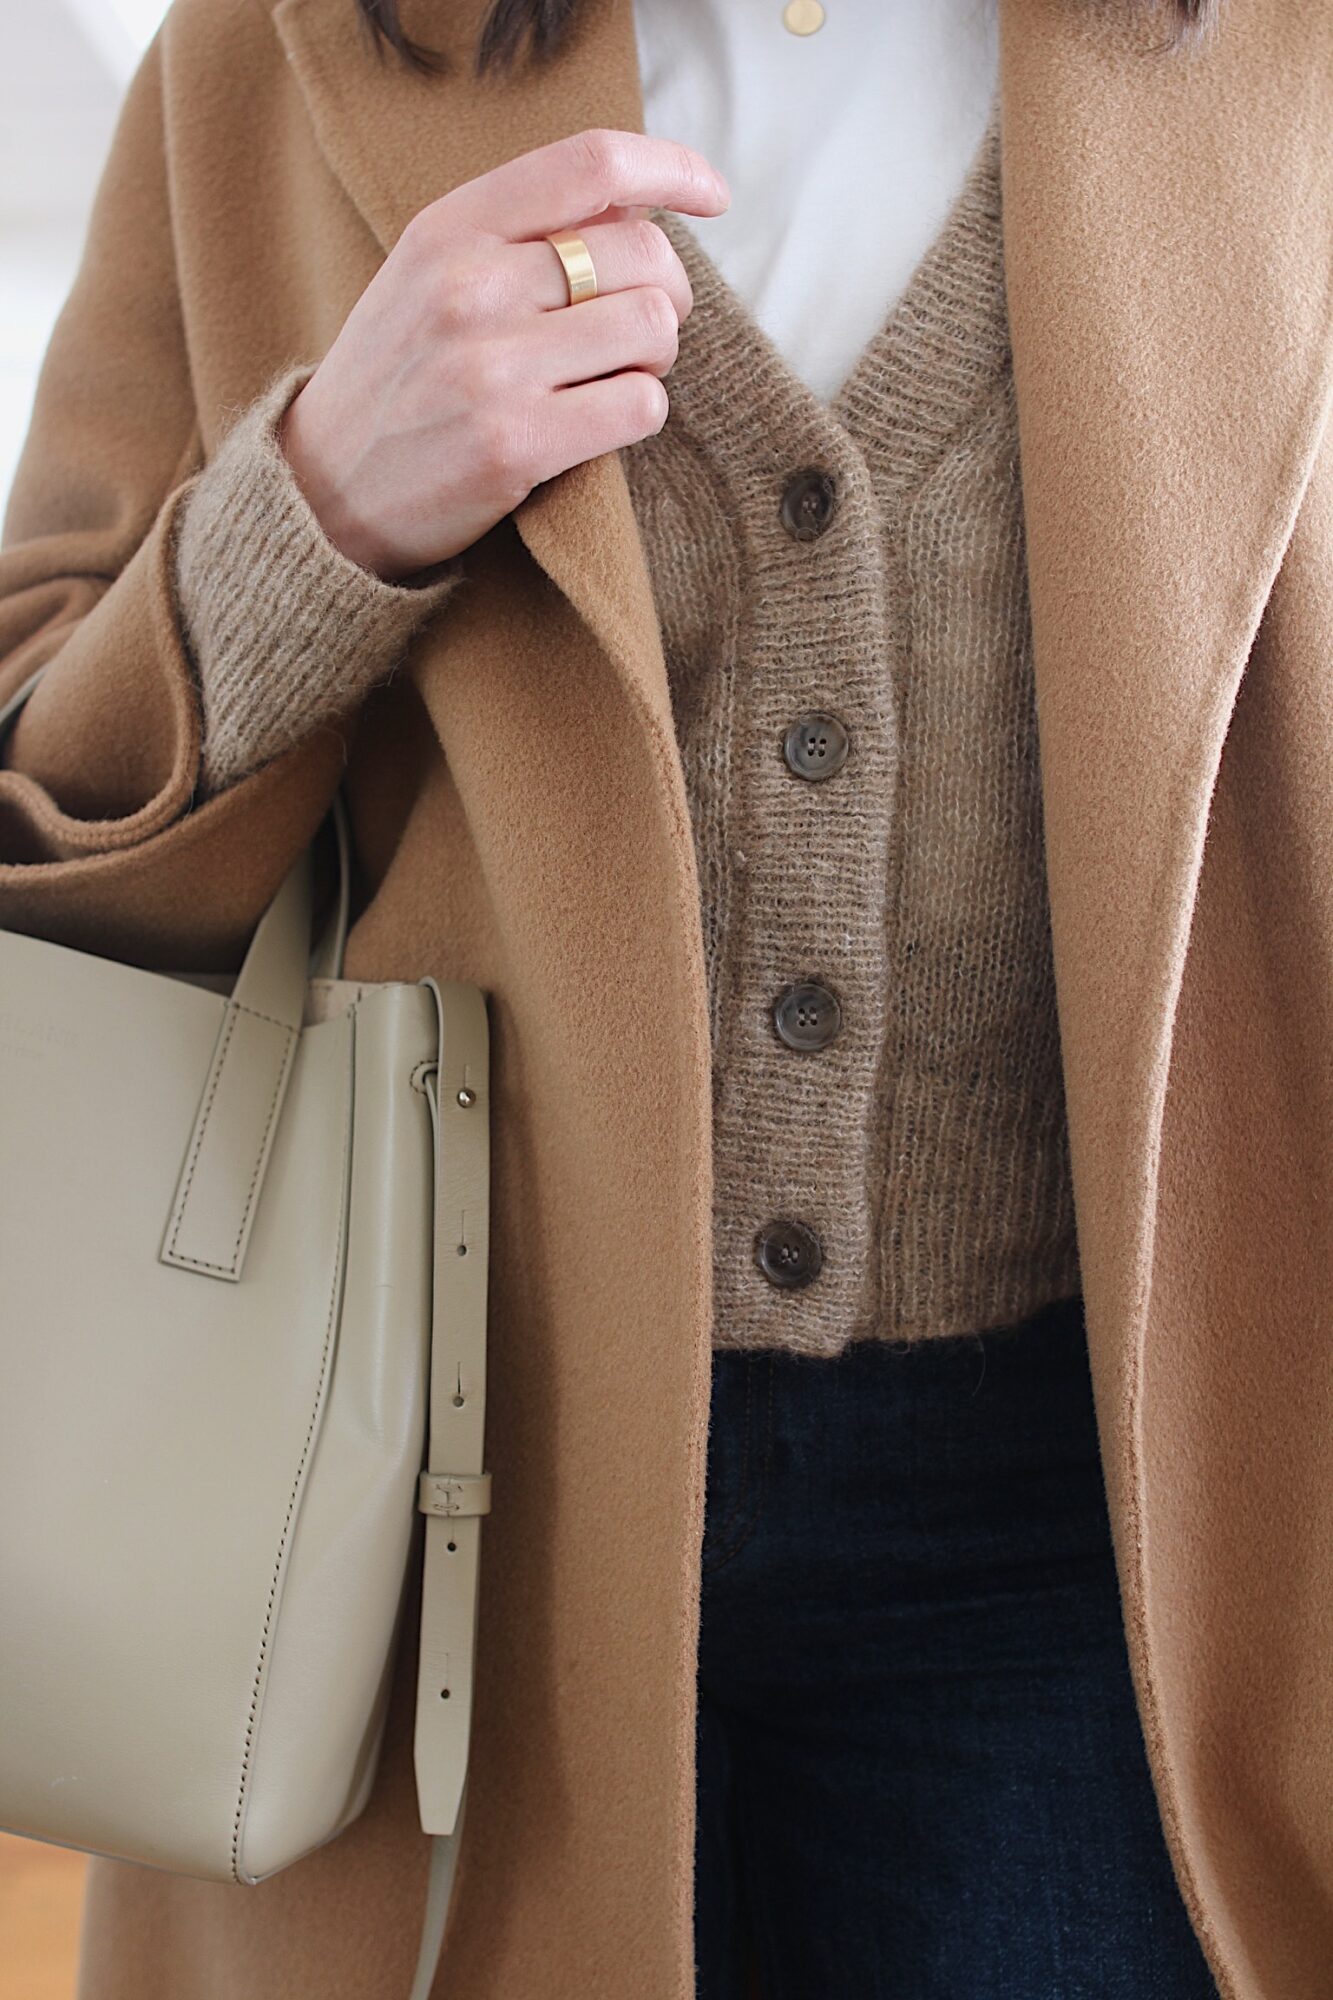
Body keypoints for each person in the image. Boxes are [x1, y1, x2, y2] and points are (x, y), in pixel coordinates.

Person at [1, 0, 1330, 1995]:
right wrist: (324, 506)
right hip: (422, 1511)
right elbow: (41, 820)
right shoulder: (270, 63)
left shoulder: (1273, 61)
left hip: (1105, 1537)